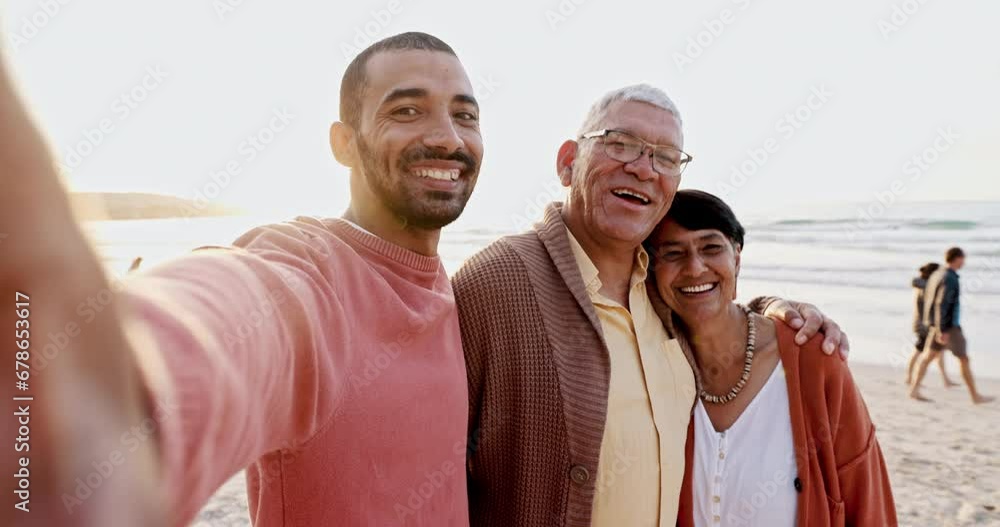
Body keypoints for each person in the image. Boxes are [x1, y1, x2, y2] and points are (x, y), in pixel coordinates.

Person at [2, 32, 482, 526]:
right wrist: (102, 389)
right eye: (405, 111)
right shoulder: (312, 277)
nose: (448, 137)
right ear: (343, 143)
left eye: (465, 115)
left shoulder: (460, 292)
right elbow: (231, 324)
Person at [453, 85, 850, 527]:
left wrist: (778, 308)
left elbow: (720, 313)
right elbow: (434, 464)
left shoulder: (662, 291)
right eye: (620, 144)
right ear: (568, 162)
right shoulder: (496, 281)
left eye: (666, 157)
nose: (643, 168)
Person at [644, 190, 896, 526]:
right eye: (672, 253)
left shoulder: (815, 358)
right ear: (650, 270)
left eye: (711, 247)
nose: (695, 267)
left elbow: (867, 501)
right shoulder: (652, 364)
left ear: (737, 257)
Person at [910, 247, 993, 404]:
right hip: (948, 326)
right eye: (963, 258)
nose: (964, 262)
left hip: (936, 324)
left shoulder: (937, 274)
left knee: (927, 357)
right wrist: (943, 329)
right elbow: (943, 303)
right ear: (957, 258)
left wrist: (934, 325)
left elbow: (931, 300)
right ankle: (975, 396)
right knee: (964, 358)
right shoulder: (950, 277)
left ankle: (914, 389)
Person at [904, 262, 957, 386]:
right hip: (924, 326)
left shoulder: (924, 286)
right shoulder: (927, 288)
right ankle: (909, 378)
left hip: (926, 325)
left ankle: (945, 379)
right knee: (921, 351)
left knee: (938, 352)